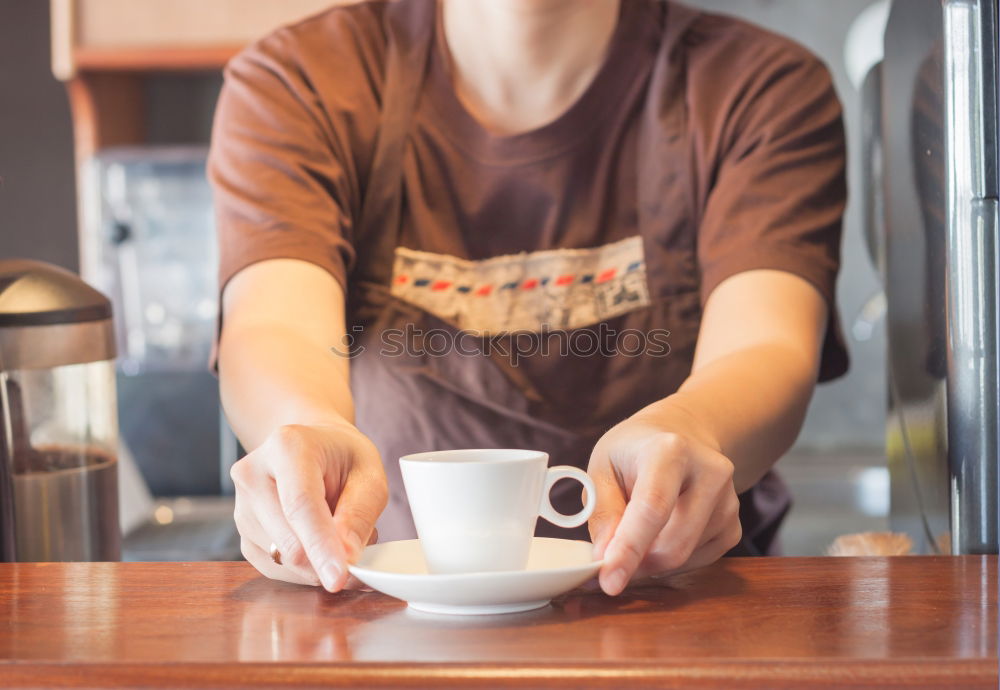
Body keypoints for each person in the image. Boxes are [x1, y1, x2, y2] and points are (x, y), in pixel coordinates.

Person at [209, 0, 847, 596]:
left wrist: (692, 429)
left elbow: (769, 341)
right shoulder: (303, 79)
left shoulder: (758, 86)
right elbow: (274, 323)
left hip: (673, 598)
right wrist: (305, 428)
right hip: (383, 602)